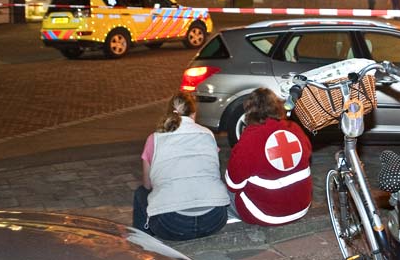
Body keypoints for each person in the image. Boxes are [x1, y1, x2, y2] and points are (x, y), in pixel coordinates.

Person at [133, 92, 230, 240]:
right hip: (214, 219)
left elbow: (147, 185)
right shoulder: (208, 134)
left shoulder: (154, 139)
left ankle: (143, 243)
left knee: (140, 193)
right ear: (194, 113)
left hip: (171, 224)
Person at [225, 88, 312, 226]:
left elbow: (233, 183)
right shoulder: (294, 128)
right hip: (301, 206)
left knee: (223, 192)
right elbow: (307, 153)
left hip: (266, 214)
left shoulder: (250, 138)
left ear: (249, 112)